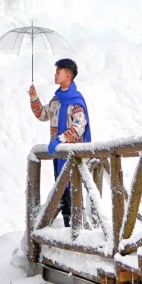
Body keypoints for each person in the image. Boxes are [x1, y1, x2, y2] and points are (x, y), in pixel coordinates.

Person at [29, 58, 91, 226]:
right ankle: (67, 228)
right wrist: (34, 97)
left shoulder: (76, 101)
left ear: (68, 75)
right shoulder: (56, 100)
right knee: (62, 193)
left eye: (58, 71)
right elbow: (42, 115)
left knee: (73, 194)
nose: (55, 74)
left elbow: (79, 126)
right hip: (58, 155)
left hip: (72, 156)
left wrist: (60, 139)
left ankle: (77, 232)